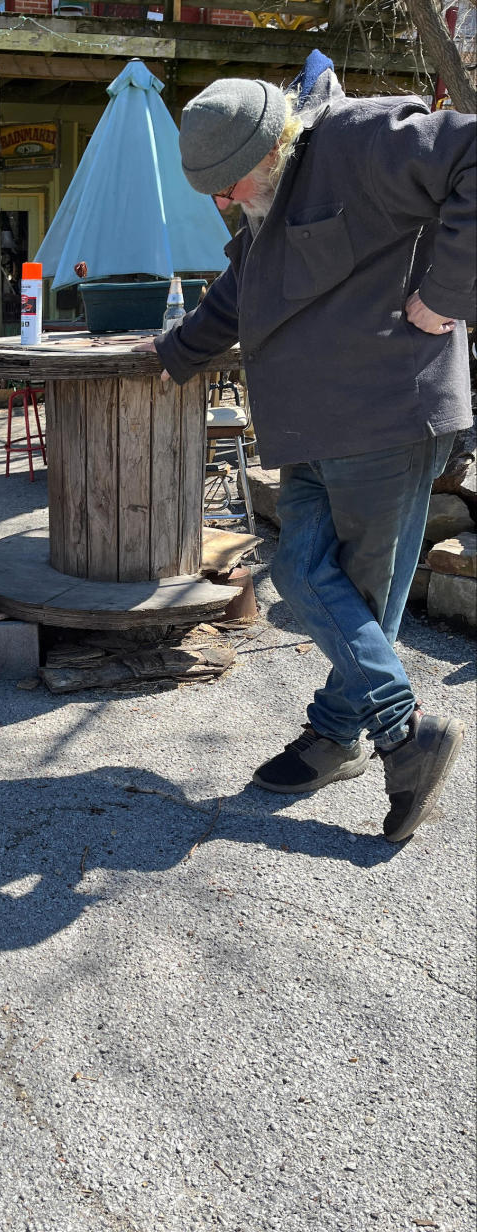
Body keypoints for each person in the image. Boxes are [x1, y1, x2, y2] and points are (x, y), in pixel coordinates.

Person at [139, 59, 473, 841]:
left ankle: (354, 733)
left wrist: (451, 292)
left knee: (358, 594)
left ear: (269, 146)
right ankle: (389, 733)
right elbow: (239, 292)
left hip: (388, 417)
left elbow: (473, 155)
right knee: (310, 574)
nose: (223, 203)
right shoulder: (262, 198)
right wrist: (174, 353)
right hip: (312, 429)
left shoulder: (362, 139)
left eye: (225, 186)